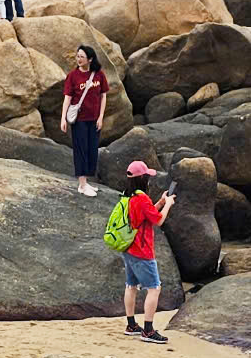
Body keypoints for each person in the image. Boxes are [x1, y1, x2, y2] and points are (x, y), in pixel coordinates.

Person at [116, 161, 173, 342]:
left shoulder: (129, 197)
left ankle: (131, 324)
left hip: (129, 248)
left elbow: (147, 214)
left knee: (131, 286)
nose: (149, 180)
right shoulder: (141, 199)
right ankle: (148, 330)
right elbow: (158, 220)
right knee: (154, 288)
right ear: (143, 179)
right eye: (147, 177)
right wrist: (169, 204)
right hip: (142, 251)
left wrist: (161, 202)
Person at [61, 44, 108, 196]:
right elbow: (67, 99)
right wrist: (63, 119)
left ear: (90, 59)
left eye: (82, 57)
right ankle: (81, 184)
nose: (79, 59)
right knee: (80, 150)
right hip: (79, 120)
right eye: (77, 56)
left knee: (92, 150)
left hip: (94, 119)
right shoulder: (73, 76)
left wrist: (101, 117)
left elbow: (103, 96)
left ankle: (86, 182)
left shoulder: (99, 75)